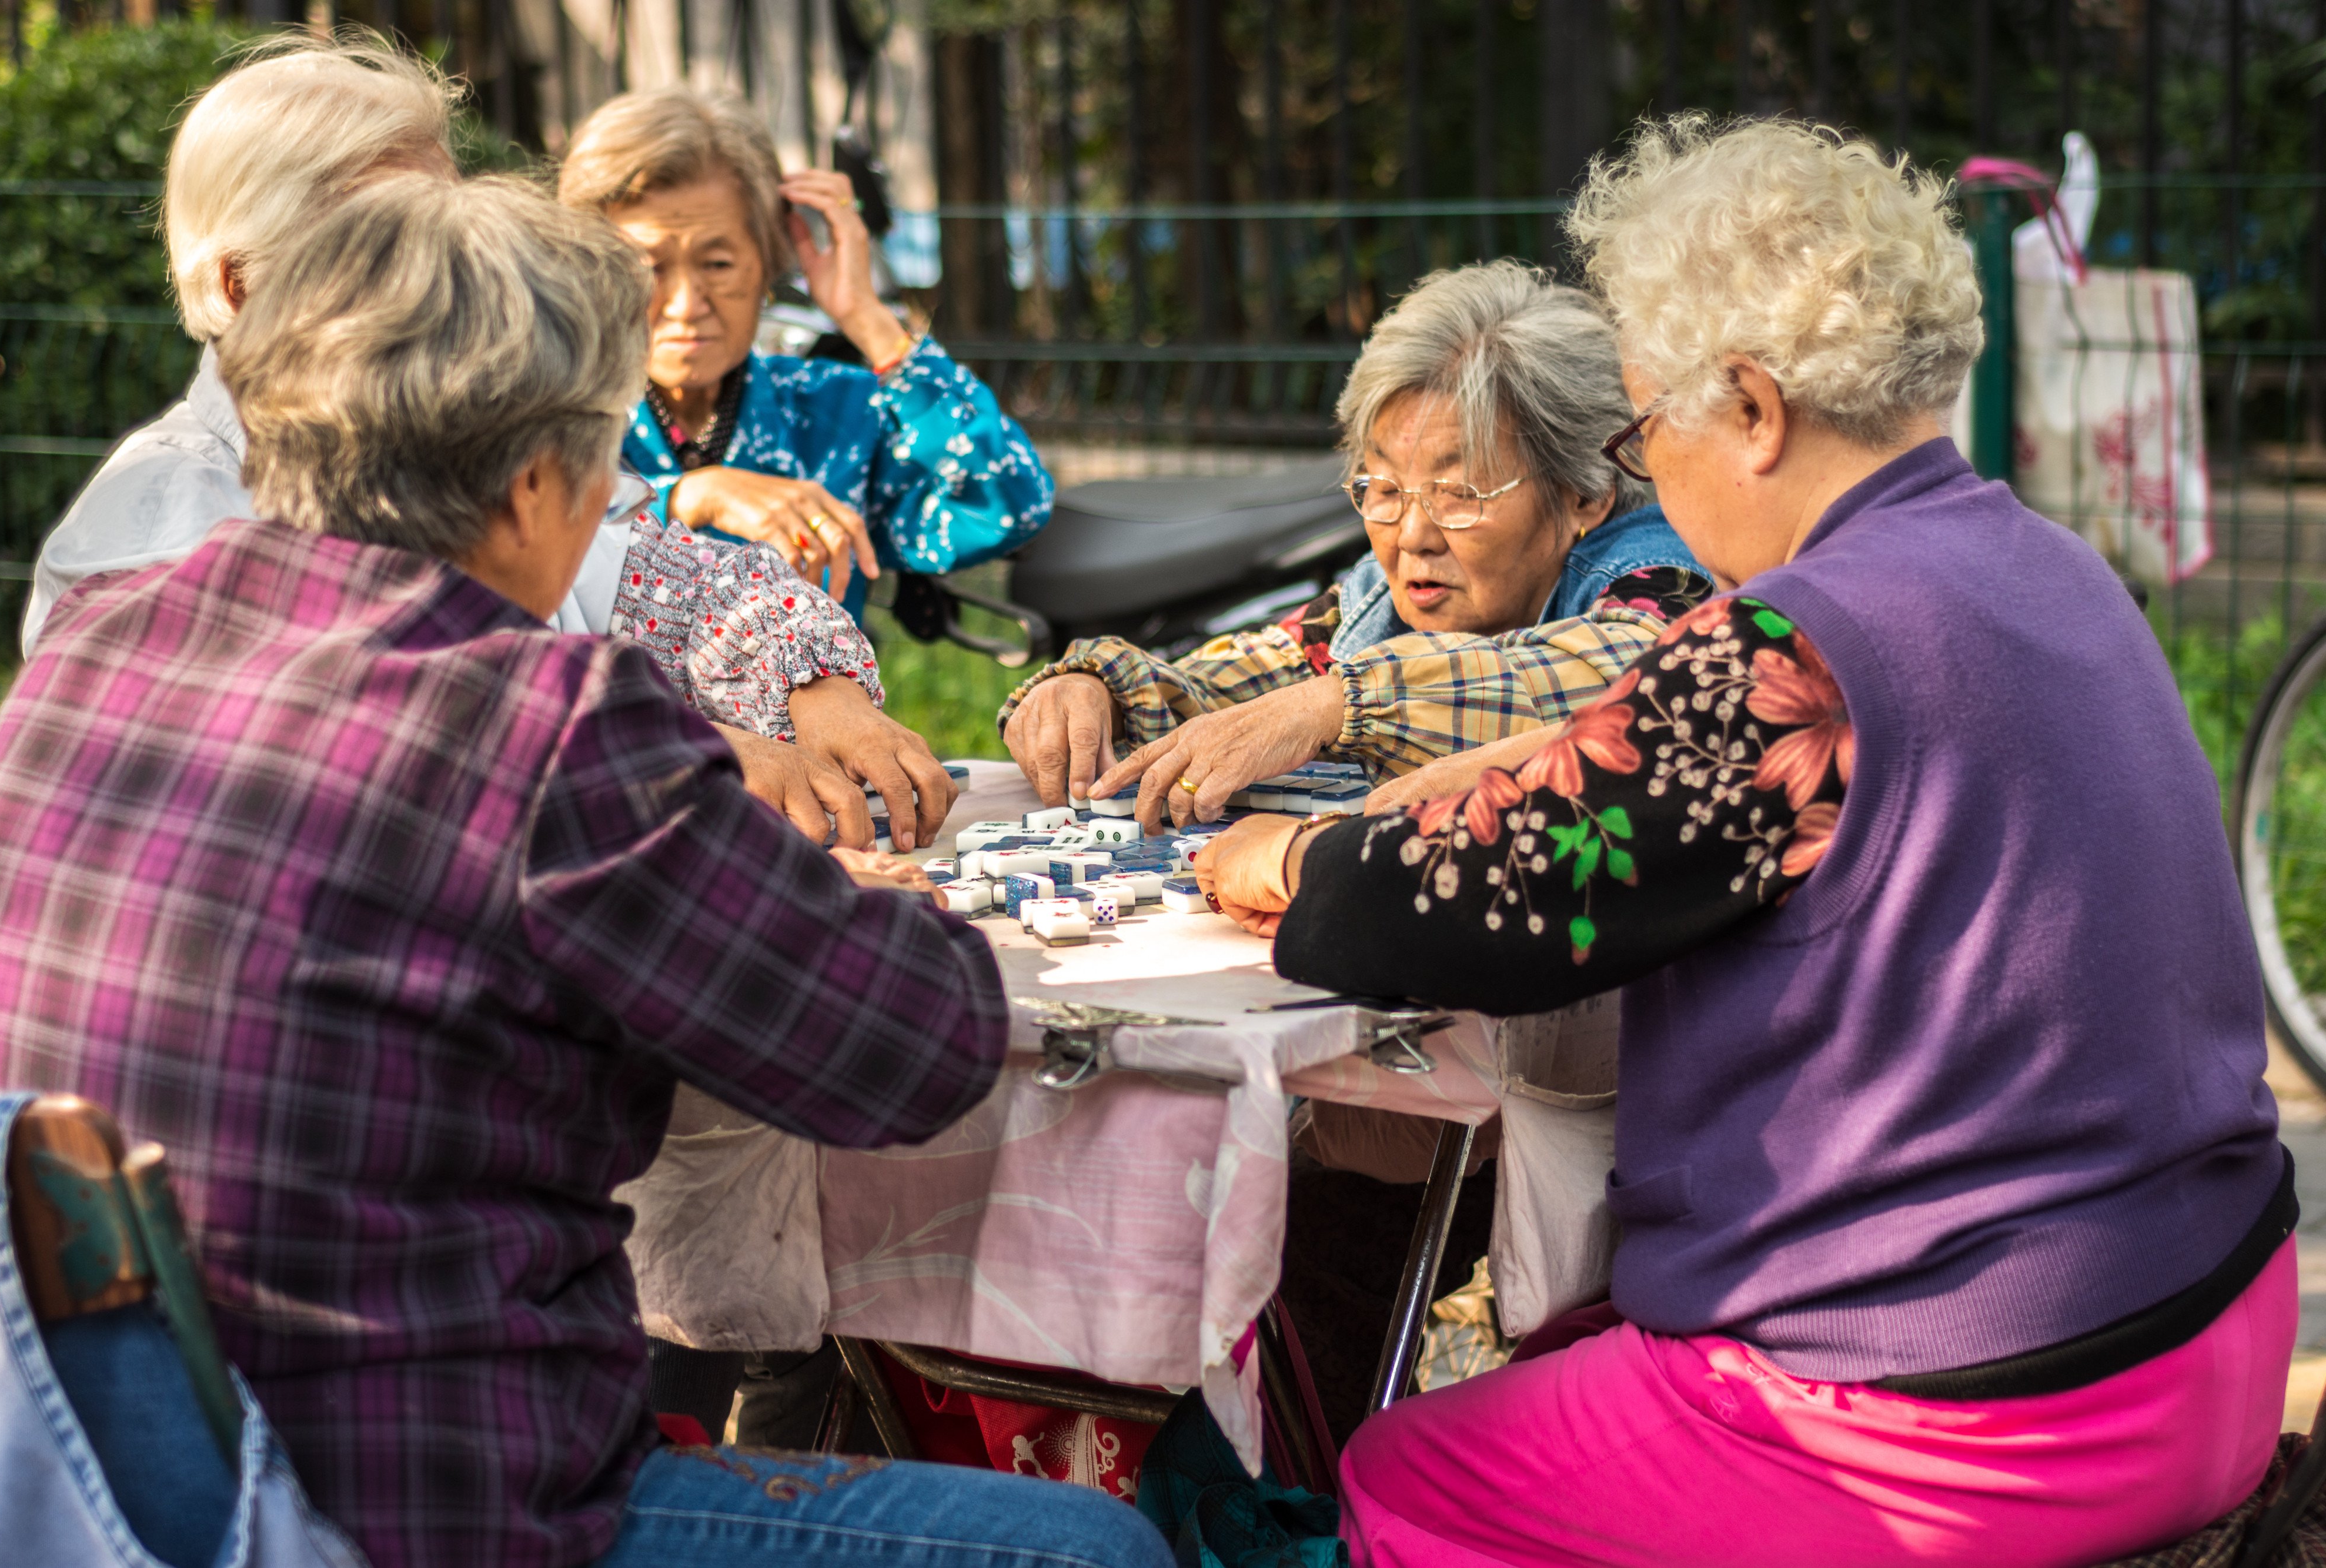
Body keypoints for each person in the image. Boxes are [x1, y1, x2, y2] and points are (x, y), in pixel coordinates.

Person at [0, 172, 1168, 1568]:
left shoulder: (94, 647)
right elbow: (914, 1051)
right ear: (540, 482)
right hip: (421, 1517)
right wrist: (863, 903)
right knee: (1096, 1553)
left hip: (93, 1479)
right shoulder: (546, 725)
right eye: (605, 463)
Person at [1199, 116, 2292, 1567]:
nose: (1647, 469)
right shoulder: (2044, 567)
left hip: (1976, 1412)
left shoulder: (1794, 645)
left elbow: (1457, 910)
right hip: (2203, 1328)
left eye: (1648, 428)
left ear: (1754, 411)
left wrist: (1287, 865)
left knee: (1414, 1473)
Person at [21, 38, 950, 851]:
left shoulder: (452, 443)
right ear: (236, 289)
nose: (457, 281)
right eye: (387, 249)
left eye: (453, 235)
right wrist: (672, 753)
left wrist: (815, 686)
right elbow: (375, 768)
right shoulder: (155, 524)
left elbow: (676, 578)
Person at [998, 262, 1710, 830]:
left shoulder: (1658, 570)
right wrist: (1097, 689)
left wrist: (1336, 705)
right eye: (1384, 488)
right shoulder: (1377, 599)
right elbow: (1238, 684)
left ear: (1584, 492)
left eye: (1461, 494)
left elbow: (1640, 674)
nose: (1411, 537)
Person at [558, 89, 1053, 619]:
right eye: (647, 267)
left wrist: (866, 315)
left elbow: (1007, 503)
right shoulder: (560, 419)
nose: (686, 304)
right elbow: (521, 556)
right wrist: (688, 496)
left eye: (719, 263)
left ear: (768, 264)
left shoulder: (833, 412)